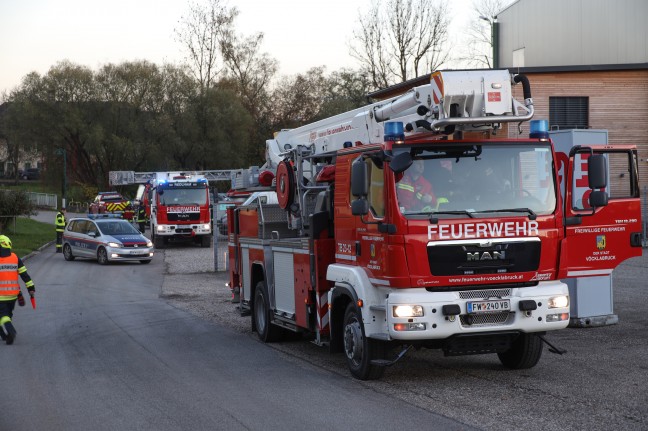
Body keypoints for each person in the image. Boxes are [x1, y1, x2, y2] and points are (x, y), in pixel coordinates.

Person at [0, 235, 35, 345]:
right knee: (7, 315)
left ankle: (11, 331)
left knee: (2, 316)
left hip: (1, 296)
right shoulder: (15, 258)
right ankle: (5, 335)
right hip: (13, 296)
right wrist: (31, 288)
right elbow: (25, 275)